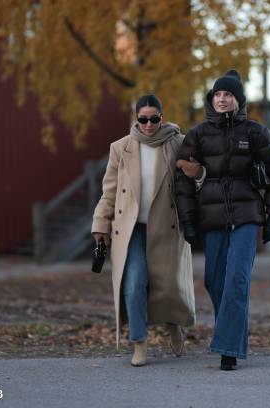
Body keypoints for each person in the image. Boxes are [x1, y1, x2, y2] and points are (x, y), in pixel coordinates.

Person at [175, 69, 270, 370]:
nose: (222, 99)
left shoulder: (255, 132)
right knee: (215, 281)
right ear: (212, 99)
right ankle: (232, 333)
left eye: (228, 95)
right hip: (212, 219)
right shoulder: (198, 135)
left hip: (247, 216)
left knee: (237, 278)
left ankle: (228, 349)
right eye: (218, 95)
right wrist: (188, 221)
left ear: (238, 100)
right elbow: (182, 180)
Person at [92, 94, 196, 367]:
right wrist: (100, 224)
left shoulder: (179, 143)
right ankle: (139, 342)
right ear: (136, 118)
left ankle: (173, 324)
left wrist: (198, 173)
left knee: (168, 283)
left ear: (162, 117)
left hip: (167, 226)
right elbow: (110, 191)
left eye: (154, 119)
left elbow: (195, 182)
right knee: (135, 282)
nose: (148, 124)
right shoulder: (121, 148)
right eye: (143, 119)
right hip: (131, 229)